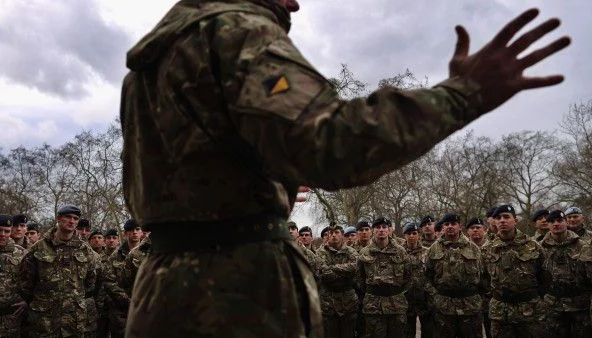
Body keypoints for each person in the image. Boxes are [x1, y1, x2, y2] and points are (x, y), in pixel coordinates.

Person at [119, 0, 570, 335]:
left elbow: (171, 184)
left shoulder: (146, 68)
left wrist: (259, 180)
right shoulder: (237, 32)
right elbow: (334, 145)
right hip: (233, 294)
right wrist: (461, 95)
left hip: (162, 289)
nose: (295, 3)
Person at [19, 205, 100, 338]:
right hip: (45, 320)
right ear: (58, 218)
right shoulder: (39, 247)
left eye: (75, 218)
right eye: (67, 217)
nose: (72, 221)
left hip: (74, 320)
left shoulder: (85, 250)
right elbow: (25, 282)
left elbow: (90, 282)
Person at [481, 204, 547, 337]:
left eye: (506, 217)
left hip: (529, 310)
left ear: (515, 221)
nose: (502, 220)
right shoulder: (487, 249)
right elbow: (483, 278)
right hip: (500, 312)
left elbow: (546, 277)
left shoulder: (532, 246)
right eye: (498, 218)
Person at [424, 213, 484, 338]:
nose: (450, 226)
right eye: (446, 224)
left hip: (470, 307)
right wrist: (435, 296)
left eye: (453, 224)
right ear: (443, 228)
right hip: (443, 307)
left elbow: (484, 276)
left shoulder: (474, 249)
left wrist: (478, 298)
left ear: (460, 226)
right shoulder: (433, 249)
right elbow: (427, 276)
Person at [540, 210, 591, 337]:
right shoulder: (540, 247)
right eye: (552, 221)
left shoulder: (582, 246)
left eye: (559, 220)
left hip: (580, 306)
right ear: (548, 225)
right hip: (553, 306)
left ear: (566, 222)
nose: (556, 224)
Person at [316, 225, 359, 338]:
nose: (334, 235)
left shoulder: (351, 251)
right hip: (328, 301)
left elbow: (355, 268)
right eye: (331, 233)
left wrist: (333, 267)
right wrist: (345, 273)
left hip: (348, 301)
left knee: (348, 333)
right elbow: (324, 273)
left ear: (343, 235)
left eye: (337, 232)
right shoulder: (321, 252)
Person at [0, 214, 27, 338]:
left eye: (6, 231)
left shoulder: (22, 254)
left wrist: (27, 301)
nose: (2, 234)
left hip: (12, 321)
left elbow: (35, 281)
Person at [402, 222, 433, 338]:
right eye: (408, 234)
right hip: (406, 299)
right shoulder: (399, 253)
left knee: (428, 331)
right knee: (407, 332)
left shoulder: (427, 252)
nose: (411, 236)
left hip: (424, 298)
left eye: (414, 233)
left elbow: (433, 273)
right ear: (404, 235)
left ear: (419, 235)